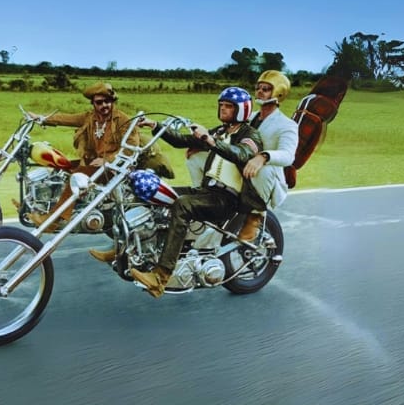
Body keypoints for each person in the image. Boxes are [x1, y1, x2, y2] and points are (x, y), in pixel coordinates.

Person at [130, 86, 264, 298]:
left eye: (228, 106)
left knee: (182, 204)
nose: (223, 109)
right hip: (206, 191)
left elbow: (242, 154)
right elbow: (181, 140)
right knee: (154, 193)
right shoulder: (220, 132)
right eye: (221, 105)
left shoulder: (250, 135)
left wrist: (209, 140)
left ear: (241, 110)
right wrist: (156, 126)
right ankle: (127, 250)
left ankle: (160, 277)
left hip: (227, 199)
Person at [185, 70, 298, 241]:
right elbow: (226, 136)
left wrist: (263, 157)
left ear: (279, 93)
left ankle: (255, 216)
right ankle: (204, 195)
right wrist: (202, 145)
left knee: (261, 169)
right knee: (194, 157)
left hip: (264, 176)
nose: (259, 91)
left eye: (266, 89)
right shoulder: (248, 117)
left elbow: (289, 156)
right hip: (238, 169)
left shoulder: (287, 125)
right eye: (258, 87)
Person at [27, 82, 140, 241]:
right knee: (59, 167)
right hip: (94, 164)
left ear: (112, 101)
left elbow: (132, 146)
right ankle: (38, 207)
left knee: (78, 174)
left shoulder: (123, 120)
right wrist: (42, 118)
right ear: (93, 104)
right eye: (99, 102)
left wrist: (107, 159)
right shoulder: (90, 118)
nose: (104, 105)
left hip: (115, 168)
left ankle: (55, 220)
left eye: (107, 101)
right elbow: (66, 118)